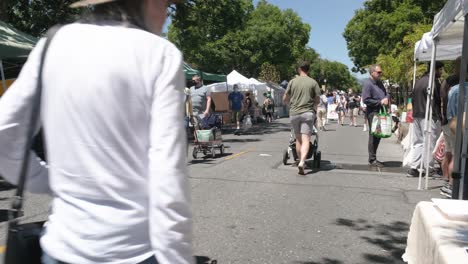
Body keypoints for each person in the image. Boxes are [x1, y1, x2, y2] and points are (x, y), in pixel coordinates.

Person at [0, 1, 193, 264]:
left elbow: (4, 132)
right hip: (134, 251)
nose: (166, 16)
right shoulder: (159, 54)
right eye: (166, 5)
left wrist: (50, 180)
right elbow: (168, 173)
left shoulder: (53, 43)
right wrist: (177, 258)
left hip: (61, 248)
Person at [283, 60, 321, 175]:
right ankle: (302, 161)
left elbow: (285, 98)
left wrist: (290, 104)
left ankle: (300, 160)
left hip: (294, 113)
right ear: (308, 70)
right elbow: (318, 100)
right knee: (306, 140)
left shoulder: (292, 82)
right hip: (308, 113)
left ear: (299, 69)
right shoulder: (313, 82)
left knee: (298, 139)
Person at [406, 62, 444, 177]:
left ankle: (414, 167)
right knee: (429, 143)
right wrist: (439, 116)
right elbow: (437, 100)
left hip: (418, 114)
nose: (441, 72)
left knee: (418, 142)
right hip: (428, 115)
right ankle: (429, 169)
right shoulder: (433, 81)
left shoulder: (419, 80)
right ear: (435, 69)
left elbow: (412, 98)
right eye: (440, 70)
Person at [439, 58, 460, 197]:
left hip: (448, 121)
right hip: (455, 122)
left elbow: (442, 100)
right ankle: (452, 185)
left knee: (449, 152)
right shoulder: (456, 84)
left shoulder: (448, 81)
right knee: (455, 154)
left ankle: (447, 180)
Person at [362, 64, 389, 167]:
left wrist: (386, 97)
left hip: (381, 111)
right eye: (378, 72)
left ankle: (374, 157)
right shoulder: (368, 84)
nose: (380, 74)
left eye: (380, 72)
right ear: (372, 72)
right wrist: (380, 102)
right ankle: (372, 159)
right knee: (374, 135)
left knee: (378, 135)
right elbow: (366, 99)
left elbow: (386, 93)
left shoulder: (379, 83)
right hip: (373, 112)